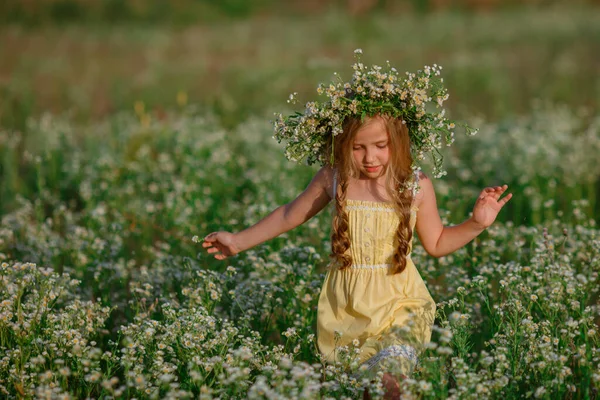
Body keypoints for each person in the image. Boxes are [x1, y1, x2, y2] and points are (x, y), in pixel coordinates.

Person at [202, 52, 512, 399]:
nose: (370, 157)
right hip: (345, 307)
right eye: (358, 148)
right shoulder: (334, 178)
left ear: (398, 141)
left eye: (381, 146)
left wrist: (475, 223)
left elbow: (437, 242)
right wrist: (239, 241)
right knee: (364, 390)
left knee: (391, 384)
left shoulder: (416, 185)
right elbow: (290, 214)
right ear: (340, 144)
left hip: (400, 304)